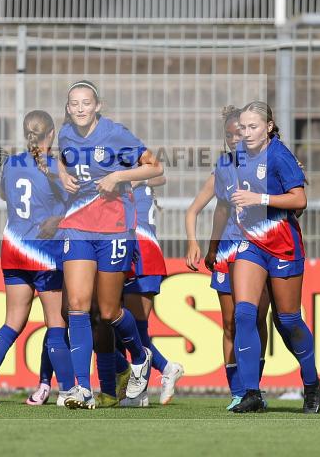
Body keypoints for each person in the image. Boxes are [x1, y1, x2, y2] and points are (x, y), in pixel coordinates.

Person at [57, 80, 164, 409]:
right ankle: (82, 389)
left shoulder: (116, 134)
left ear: (97, 105)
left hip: (113, 227)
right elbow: (57, 156)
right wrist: (62, 173)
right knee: (77, 305)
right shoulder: (65, 134)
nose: (80, 109)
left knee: (108, 311)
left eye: (86, 103)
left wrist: (118, 177)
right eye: (74, 103)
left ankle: (141, 357)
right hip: (77, 225)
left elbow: (154, 166)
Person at [0, 110, 76, 406]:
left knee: (12, 322)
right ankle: (67, 391)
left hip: (13, 247)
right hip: (43, 250)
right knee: (56, 323)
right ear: (51, 133)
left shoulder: (12, 164)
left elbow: (5, 195)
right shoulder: (56, 166)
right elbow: (74, 202)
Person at [222, 101, 320, 414]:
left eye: (254, 127)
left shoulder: (278, 154)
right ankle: (251, 392)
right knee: (244, 314)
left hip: (282, 244)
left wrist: (259, 198)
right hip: (250, 244)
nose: (247, 133)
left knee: (288, 319)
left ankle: (311, 383)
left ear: (268, 127)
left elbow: (299, 199)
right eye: (243, 127)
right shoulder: (234, 158)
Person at [185, 106, 270, 410]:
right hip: (228, 249)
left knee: (257, 318)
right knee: (231, 322)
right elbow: (218, 209)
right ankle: (239, 391)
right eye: (230, 134)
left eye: (241, 132)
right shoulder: (224, 166)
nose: (236, 138)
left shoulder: (268, 160)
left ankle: (253, 387)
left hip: (261, 249)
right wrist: (208, 246)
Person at [121, 176, 184, 405]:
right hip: (128, 254)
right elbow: (160, 174)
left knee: (135, 328)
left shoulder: (127, 181)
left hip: (143, 255)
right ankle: (167, 369)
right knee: (127, 328)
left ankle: (140, 392)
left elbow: (161, 173)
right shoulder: (131, 181)